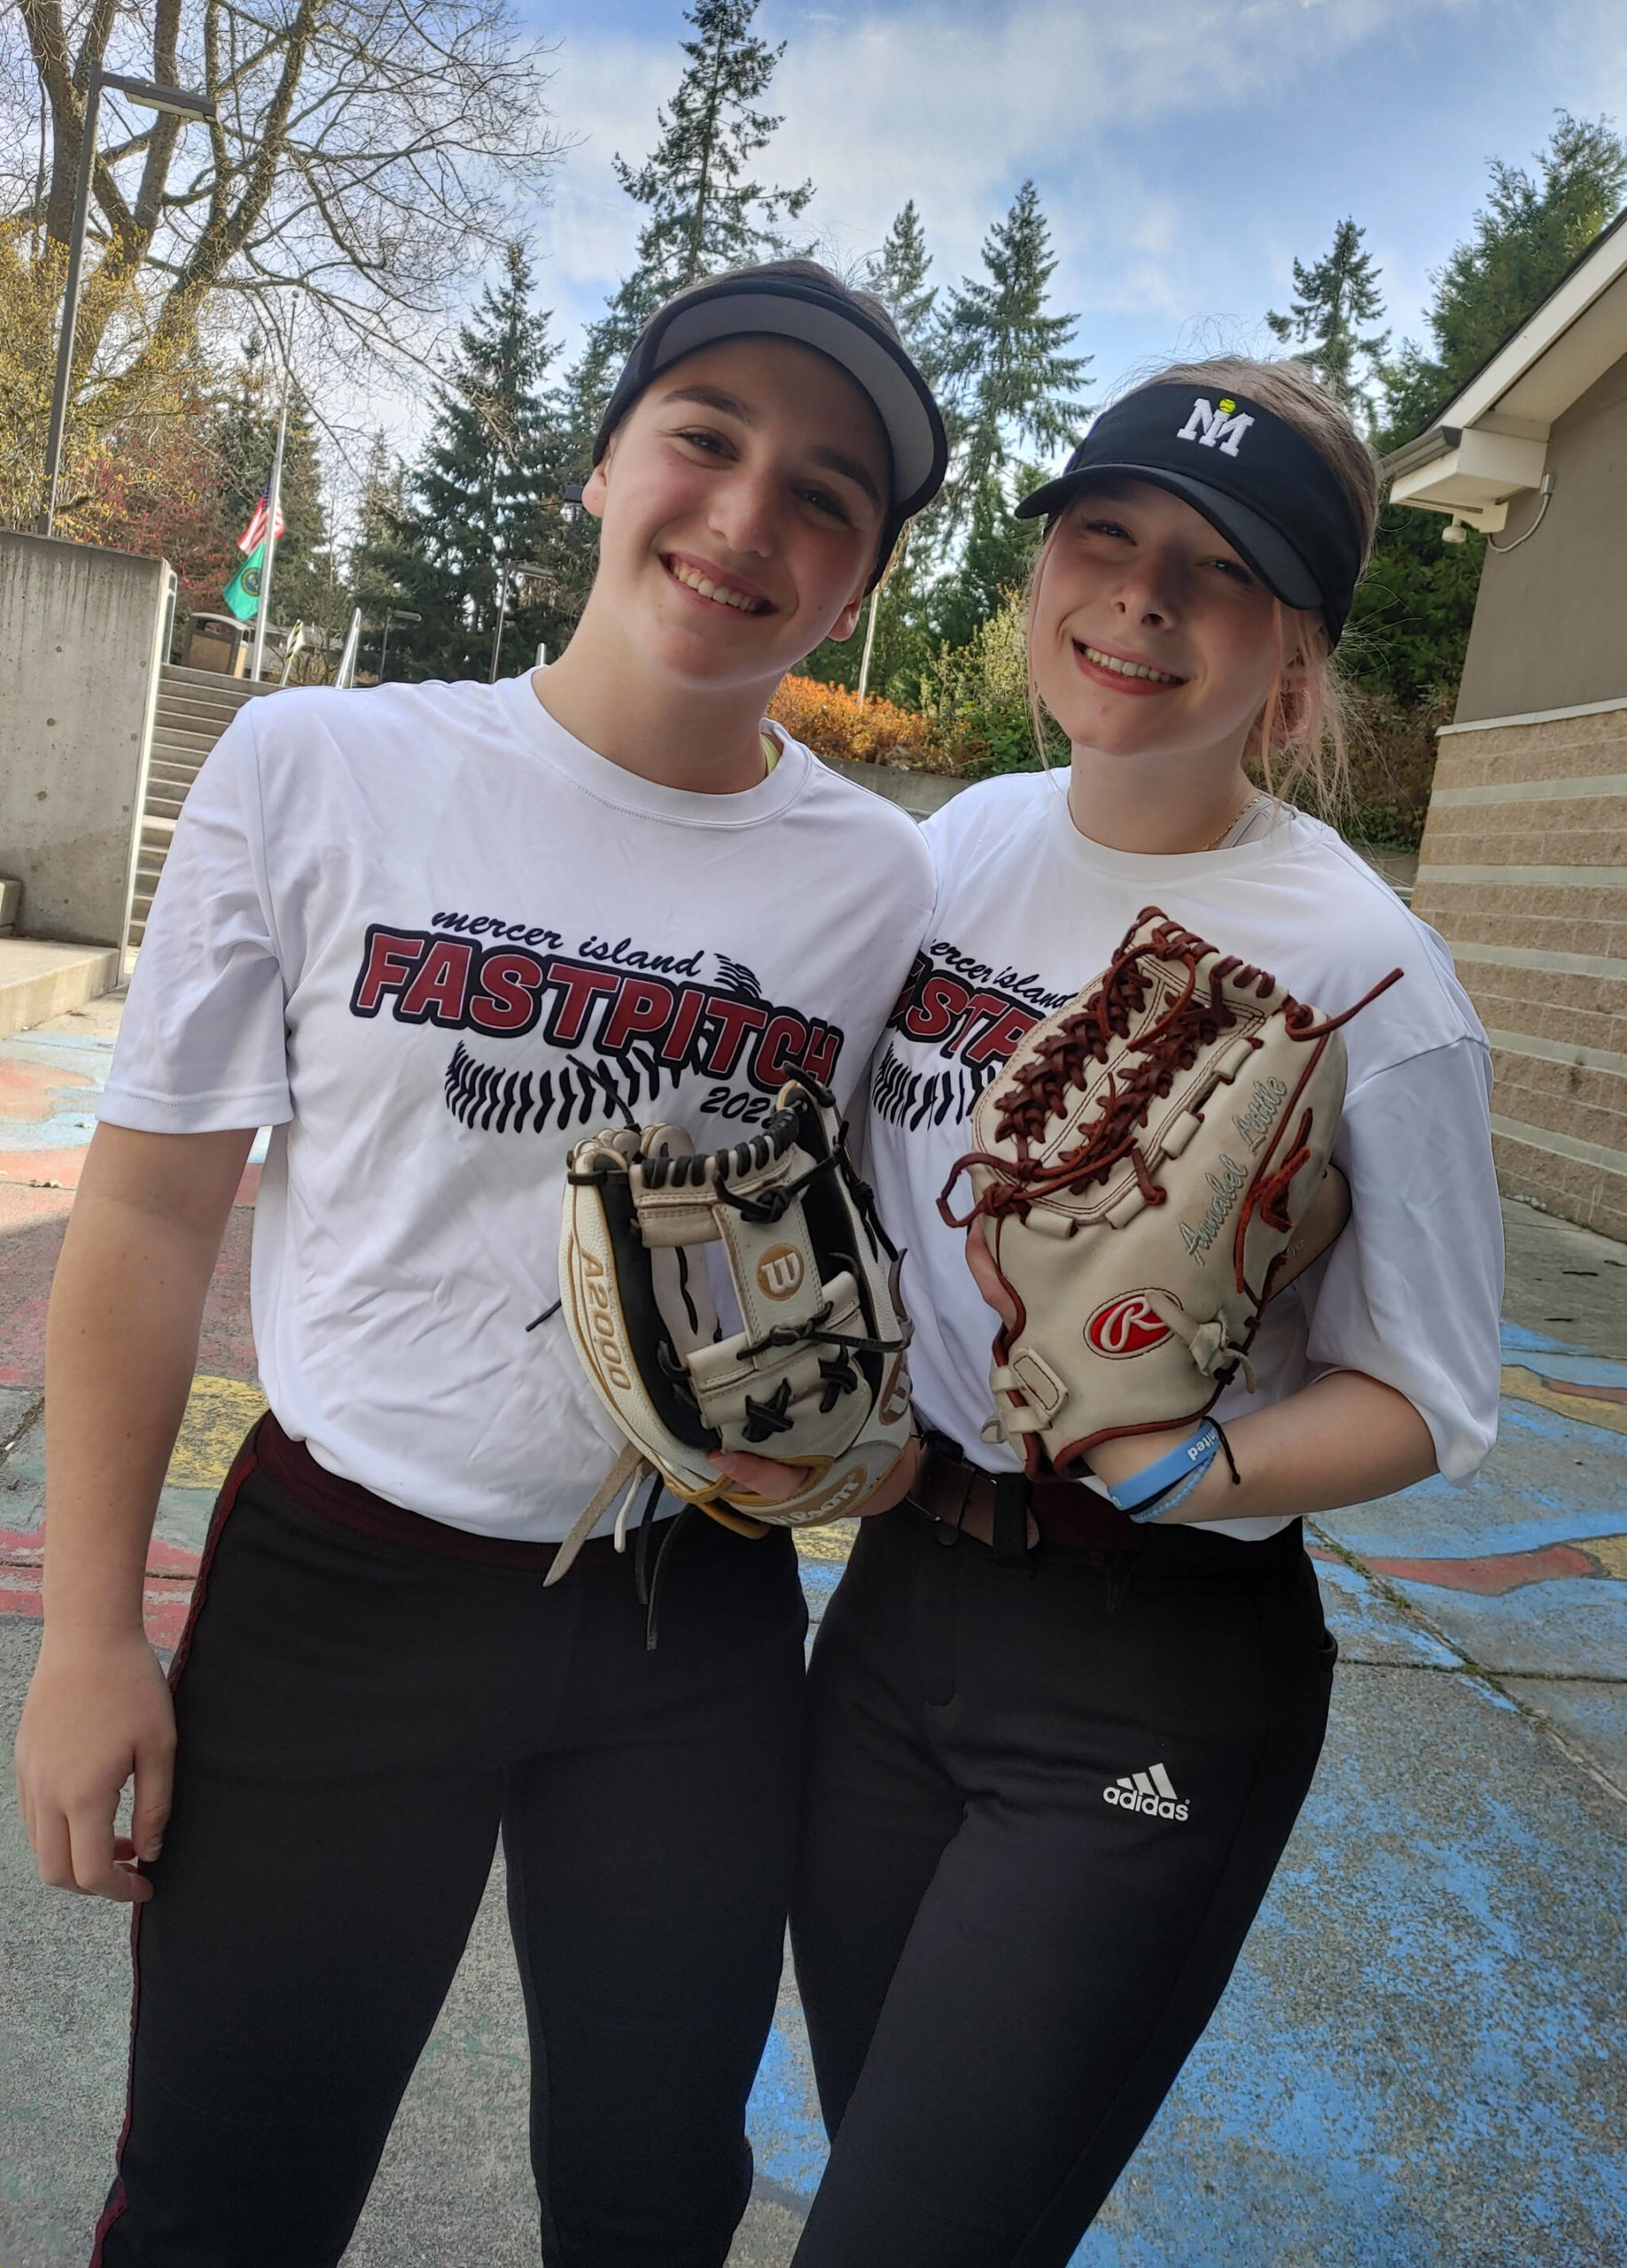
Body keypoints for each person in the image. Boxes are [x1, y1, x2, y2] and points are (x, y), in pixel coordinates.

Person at [13, 259, 945, 2268]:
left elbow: (857, 1248)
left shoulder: (878, 883)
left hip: (686, 1618)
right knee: (226, 2193)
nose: (746, 516)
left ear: (859, 575)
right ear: (606, 465)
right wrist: (91, 1634)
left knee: (647, 2190)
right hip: (344, 1585)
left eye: (827, 496)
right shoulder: (318, 765)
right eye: (708, 440)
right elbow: (156, 1208)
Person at [783, 358, 1504, 2266]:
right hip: (893, 1610)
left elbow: (1429, 1393)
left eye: (1218, 571)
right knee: (891, 2169)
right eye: (1103, 537)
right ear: (1039, 570)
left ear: (1296, 654)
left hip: (1150, 1652)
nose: (1140, 600)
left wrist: (1196, 1459)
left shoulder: (1368, 970)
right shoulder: (958, 849)